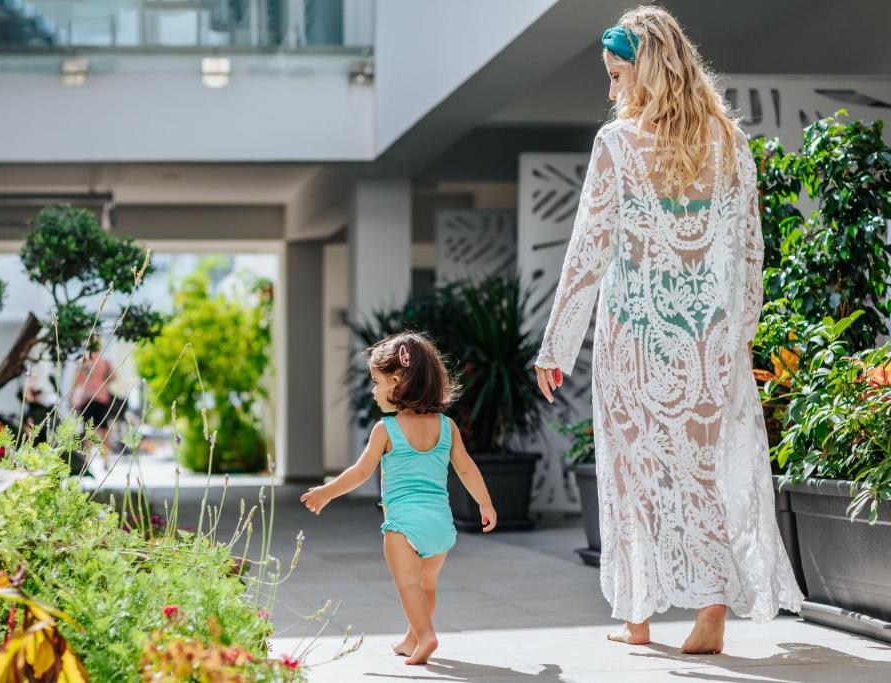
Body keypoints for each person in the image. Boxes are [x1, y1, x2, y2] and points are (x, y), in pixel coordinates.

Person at [533, 5, 802, 655]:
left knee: (633, 475)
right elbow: (749, 249)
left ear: (646, 71)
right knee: (705, 474)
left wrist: (556, 345)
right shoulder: (727, 142)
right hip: (708, 341)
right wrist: (739, 333)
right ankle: (710, 610)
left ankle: (638, 617)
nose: (611, 91)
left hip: (635, 339)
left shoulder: (617, 145)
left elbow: (588, 251)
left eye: (616, 74)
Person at [301, 332, 497, 666]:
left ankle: (426, 636)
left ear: (396, 382)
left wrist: (326, 492)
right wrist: (485, 503)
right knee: (426, 585)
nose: (373, 391)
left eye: (376, 382)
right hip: (440, 526)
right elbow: (466, 468)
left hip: (403, 526)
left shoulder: (386, 429)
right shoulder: (446, 426)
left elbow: (360, 472)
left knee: (408, 586)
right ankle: (412, 638)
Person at [70, 338, 116, 467]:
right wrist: (101, 382)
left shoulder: (82, 362)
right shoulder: (104, 362)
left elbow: (75, 383)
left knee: (88, 431)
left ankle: (86, 461)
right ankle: (106, 460)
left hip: (86, 399)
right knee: (103, 430)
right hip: (102, 398)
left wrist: (71, 400)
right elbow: (114, 377)